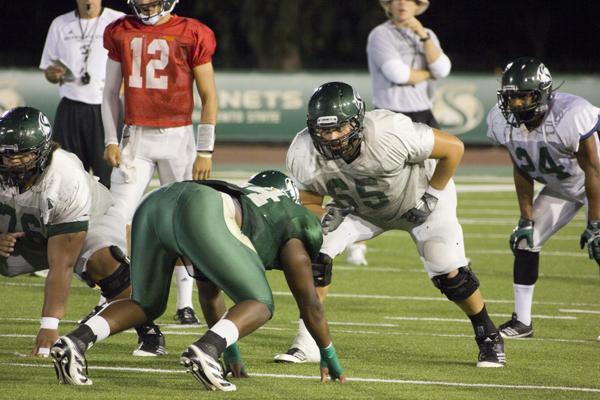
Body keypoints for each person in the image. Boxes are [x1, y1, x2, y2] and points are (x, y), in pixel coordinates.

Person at [274, 81, 505, 368]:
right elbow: (309, 200)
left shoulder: (389, 131)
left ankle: (488, 335)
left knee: (448, 273)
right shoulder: (303, 150)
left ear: (357, 121)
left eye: (340, 128)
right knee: (314, 256)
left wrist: (432, 197)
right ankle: (307, 342)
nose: (332, 137)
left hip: (419, 201)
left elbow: (454, 148)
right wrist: (322, 214)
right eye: (324, 130)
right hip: (361, 209)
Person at [50, 171, 347, 391]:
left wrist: (230, 352)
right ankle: (205, 351)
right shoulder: (294, 218)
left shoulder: (248, 203)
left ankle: (75, 342)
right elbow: (310, 302)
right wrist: (329, 355)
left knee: (145, 302)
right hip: (202, 209)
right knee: (261, 303)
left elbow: (208, 291)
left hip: (156, 203)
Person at [0, 107, 163, 357]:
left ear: (43, 151)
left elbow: (62, 264)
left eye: (23, 155)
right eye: (6, 154)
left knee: (104, 264)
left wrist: (49, 325)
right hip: (25, 225)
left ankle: (147, 327)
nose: (12, 162)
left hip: (88, 220)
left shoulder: (65, 177)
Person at [101, 0, 219, 324]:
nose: (144, 7)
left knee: (184, 222)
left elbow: (209, 95)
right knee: (115, 218)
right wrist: (111, 139)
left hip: (178, 138)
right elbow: (110, 91)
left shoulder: (192, 32)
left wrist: (205, 150)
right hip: (135, 137)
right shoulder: (121, 31)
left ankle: (185, 303)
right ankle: (111, 296)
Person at [487, 57, 600, 338]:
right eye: (511, 98)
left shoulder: (571, 114)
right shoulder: (502, 121)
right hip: (560, 185)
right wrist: (526, 218)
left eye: (524, 97)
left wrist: (596, 223)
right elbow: (521, 168)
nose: (516, 105)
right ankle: (522, 322)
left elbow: (593, 170)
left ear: (542, 93)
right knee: (527, 240)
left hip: (595, 181)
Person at [358, 0, 451, 267]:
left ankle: (443, 249)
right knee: (375, 181)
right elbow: (398, 74)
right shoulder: (380, 35)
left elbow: (443, 69)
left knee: (437, 182)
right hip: (391, 115)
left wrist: (423, 36)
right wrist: (429, 74)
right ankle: (356, 243)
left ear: (417, 5)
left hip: (424, 114)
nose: (401, 3)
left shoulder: (427, 34)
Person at [39, 0, 125, 188]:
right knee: (68, 177)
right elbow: (48, 68)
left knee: (111, 176)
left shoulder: (119, 20)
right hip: (71, 106)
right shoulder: (60, 23)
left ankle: (112, 217)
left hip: (107, 107)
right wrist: (52, 74)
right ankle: (76, 217)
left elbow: (134, 58)